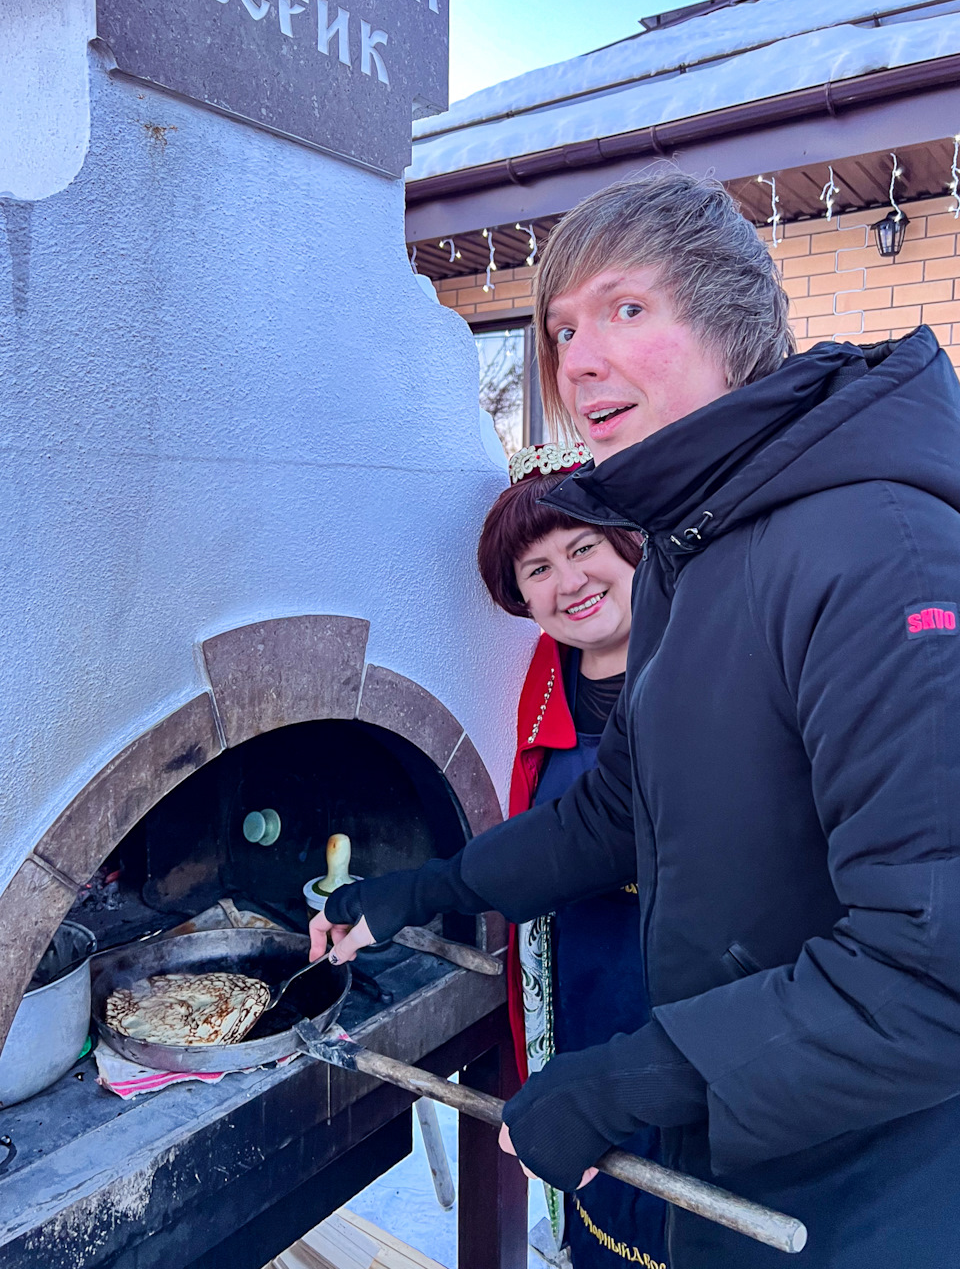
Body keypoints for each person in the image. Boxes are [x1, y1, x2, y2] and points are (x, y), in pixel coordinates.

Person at [311, 169, 960, 1267]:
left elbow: (932, 965)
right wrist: (417, 892)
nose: (577, 362)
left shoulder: (879, 549)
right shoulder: (689, 552)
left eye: (624, 308)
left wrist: (636, 1075)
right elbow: (620, 805)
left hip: (864, 1202)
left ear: (732, 322)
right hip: (737, 1173)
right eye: (559, 329)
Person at [477, 447, 664, 1267]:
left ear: (630, 544)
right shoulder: (543, 679)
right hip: (582, 990)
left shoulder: (712, 661)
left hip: (690, 995)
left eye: (584, 547)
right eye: (537, 568)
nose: (569, 581)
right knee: (606, 1207)